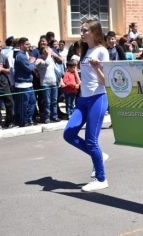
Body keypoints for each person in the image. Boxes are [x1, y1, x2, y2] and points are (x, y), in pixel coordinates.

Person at [63, 19, 110, 192]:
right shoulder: (84, 50)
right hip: (83, 99)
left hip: (98, 98)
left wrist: (97, 68)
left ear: (94, 32)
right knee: (68, 134)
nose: (81, 33)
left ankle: (101, 178)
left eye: (84, 30)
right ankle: (99, 156)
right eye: (81, 30)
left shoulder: (102, 51)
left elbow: (107, 82)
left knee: (91, 141)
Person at [13, 37, 36, 127]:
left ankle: (28, 119)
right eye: (26, 44)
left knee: (32, 103)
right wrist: (33, 62)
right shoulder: (20, 56)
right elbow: (29, 68)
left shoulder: (25, 54)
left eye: (29, 44)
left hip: (29, 84)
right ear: (21, 45)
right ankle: (23, 122)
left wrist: (31, 62)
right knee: (24, 105)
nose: (28, 45)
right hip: (22, 84)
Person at [0, 39, 15, 130]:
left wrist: (1, 69)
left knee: (10, 104)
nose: (0, 49)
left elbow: (9, 70)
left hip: (5, 85)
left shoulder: (4, 57)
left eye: (1, 47)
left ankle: (9, 123)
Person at [35, 46, 59, 123]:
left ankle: (54, 116)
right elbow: (46, 64)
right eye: (46, 52)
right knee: (47, 102)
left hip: (53, 83)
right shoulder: (39, 60)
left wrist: (60, 80)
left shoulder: (51, 59)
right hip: (45, 84)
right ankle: (46, 117)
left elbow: (56, 70)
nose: (48, 53)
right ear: (42, 54)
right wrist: (49, 54)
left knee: (54, 101)